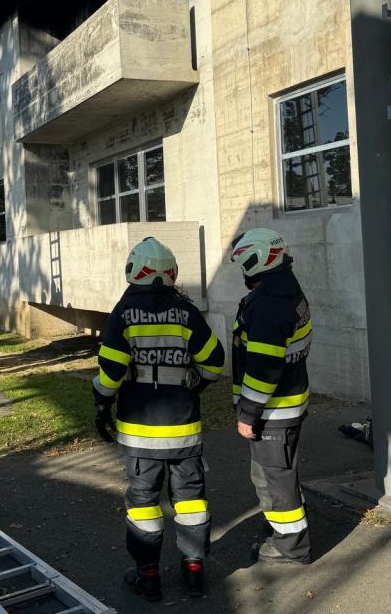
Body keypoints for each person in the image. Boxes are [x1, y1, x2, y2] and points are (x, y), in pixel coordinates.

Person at [92, 237, 224, 600]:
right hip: (183, 429)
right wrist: (193, 384)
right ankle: (194, 571)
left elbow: (110, 374)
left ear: (134, 271)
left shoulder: (123, 313)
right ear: (172, 273)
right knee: (191, 500)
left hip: (140, 433)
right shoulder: (187, 312)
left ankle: (148, 575)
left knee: (144, 502)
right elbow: (214, 363)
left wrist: (101, 404)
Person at [229, 228, 313, 565]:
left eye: (245, 264)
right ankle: (284, 533)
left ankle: (291, 548)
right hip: (289, 402)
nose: (243, 272)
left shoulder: (267, 304)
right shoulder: (288, 289)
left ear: (259, 261)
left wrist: (248, 413)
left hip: (273, 412)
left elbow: (263, 371)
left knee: (275, 480)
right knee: (279, 476)